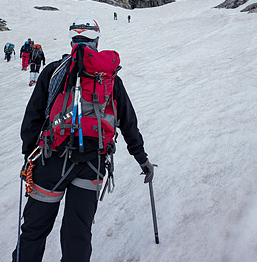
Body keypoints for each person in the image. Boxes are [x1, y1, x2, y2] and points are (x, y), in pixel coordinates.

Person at [12, 16, 155, 262]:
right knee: (78, 233)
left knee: (34, 230)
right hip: (93, 163)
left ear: (72, 41)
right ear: (96, 41)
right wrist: (143, 160)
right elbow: (128, 124)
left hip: (51, 160)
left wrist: (29, 156)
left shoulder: (54, 71)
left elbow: (33, 118)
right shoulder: (110, 79)